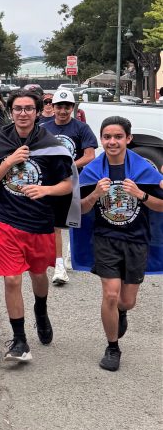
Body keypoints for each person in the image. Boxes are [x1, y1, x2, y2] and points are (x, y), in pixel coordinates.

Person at [0, 88, 75, 364]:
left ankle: (41, 310)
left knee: (38, 276)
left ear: (36, 112)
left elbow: (68, 184)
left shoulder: (49, 142)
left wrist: (46, 191)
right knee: (12, 279)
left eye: (29, 109)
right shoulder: (1, 139)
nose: (23, 113)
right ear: (11, 111)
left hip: (40, 223)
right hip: (8, 222)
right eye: (18, 109)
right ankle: (20, 339)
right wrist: (9, 161)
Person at [78, 117, 163, 372]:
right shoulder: (92, 171)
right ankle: (112, 347)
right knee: (111, 294)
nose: (112, 142)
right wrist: (94, 194)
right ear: (102, 140)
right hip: (106, 239)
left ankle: (121, 313)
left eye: (117, 137)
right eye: (107, 137)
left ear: (128, 139)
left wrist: (141, 195)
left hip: (136, 240)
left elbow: (161, 206)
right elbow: (80, 211)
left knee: (127, 301)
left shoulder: (145, 170)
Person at [40, 87, 98, 285]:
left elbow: (90, 156)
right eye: (59, 107)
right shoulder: (44, 128)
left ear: (72, 108)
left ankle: (70, 254)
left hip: (77, 182)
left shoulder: (82, 128)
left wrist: (70, 165)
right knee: (55, 224)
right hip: (53, 183)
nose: (62, 111)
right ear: (52, 107)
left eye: (67, 107)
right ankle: (59, 266)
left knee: (75, 220)